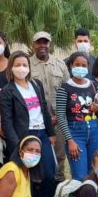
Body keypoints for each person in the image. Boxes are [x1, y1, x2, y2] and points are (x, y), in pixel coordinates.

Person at [0, 51, 56, 197]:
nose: (21, 68)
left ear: (29, 68)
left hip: (42, 134)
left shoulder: (36, 84)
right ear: (10, 68)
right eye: (17, 65)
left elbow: (44, 109)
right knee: (26, 175)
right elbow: (7, 122)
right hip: (24, 137)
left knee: (49, 174)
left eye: (24, 65)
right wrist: (17, 144)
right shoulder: (6, 91)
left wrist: (51, 133)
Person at [56, 52, 98, 180]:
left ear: (88, 67)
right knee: (80, 175)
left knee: (94, 172)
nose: (80, 67)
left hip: (94, 132)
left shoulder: (94, 85)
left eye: (84, 65)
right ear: (71, 65)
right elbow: (60, 116)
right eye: (77, 64)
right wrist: (70, 140)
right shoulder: (64, 89)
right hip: (75, 134)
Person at [29, 31, 70, 182]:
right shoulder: (26, 65)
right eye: (38, 42)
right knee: (36, 155)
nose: (42, 45)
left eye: (45, 42)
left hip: (58, 121)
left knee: (59, 156)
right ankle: (40, 189)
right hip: (36, 122)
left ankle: (59, 188)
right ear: (33, 45)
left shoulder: (60, 65)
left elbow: (68, 93)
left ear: (49, 44)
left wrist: (58, 117)